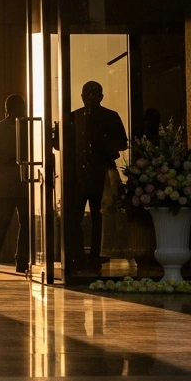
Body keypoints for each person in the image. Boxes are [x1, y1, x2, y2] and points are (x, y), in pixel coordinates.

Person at [66, 80, 127, 269]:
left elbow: (122, 143)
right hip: (79, 175)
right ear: (82, 96)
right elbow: (61, 143)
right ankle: (79, 257)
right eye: (87, 94)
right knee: (76, 218)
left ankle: (96, 257)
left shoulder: (109, 117)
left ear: (101, 96)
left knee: (99, 217)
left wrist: (104, 146)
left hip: (100, 175)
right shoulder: (73, 117)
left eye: (94, 94)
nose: (90, 97)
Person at [0, 94, 29, 272]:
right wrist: (5, 158)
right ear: (10, 110)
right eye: (19, 108)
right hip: (4, 185)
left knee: (26, 223)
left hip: (25, 183)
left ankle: (23, 260)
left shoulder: (27, 127)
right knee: (1, 222)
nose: (22, 112)